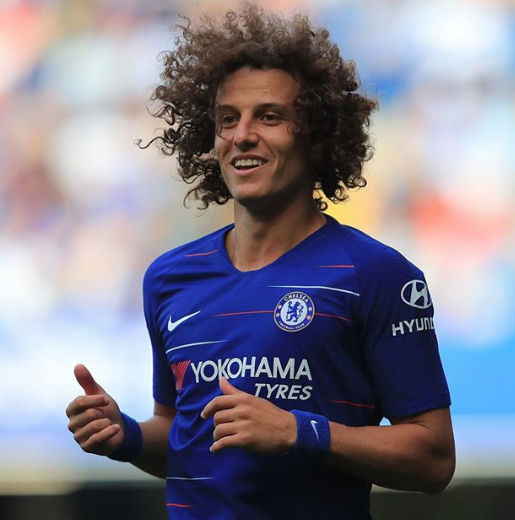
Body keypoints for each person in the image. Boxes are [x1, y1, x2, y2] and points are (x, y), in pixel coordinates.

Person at [66, 3, 455, 519]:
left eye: (270, 116)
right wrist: (127, 436)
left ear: (317, 135)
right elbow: (186, 436)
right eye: (227, 119)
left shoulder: (376, 274)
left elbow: (433, 460)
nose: (242, 134)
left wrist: (298, 431)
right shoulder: (169, 278)